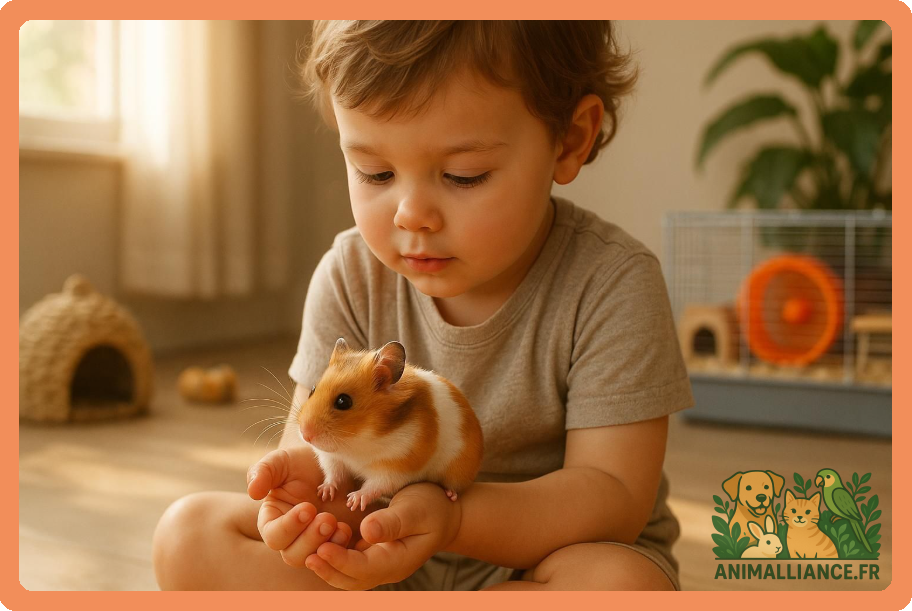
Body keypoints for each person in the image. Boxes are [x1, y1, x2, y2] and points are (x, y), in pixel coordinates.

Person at [153, 20, 694, 591]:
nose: (410, 214)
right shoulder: (349, 273)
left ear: (570, 139)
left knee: (620, 586)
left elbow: (614, 497)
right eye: (376, 172)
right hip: (377, 545)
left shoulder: (613, 283)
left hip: (540, 559)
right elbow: (315, 438)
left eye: (464, 176)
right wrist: (298, 500)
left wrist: (452, 521)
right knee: (188, 535)